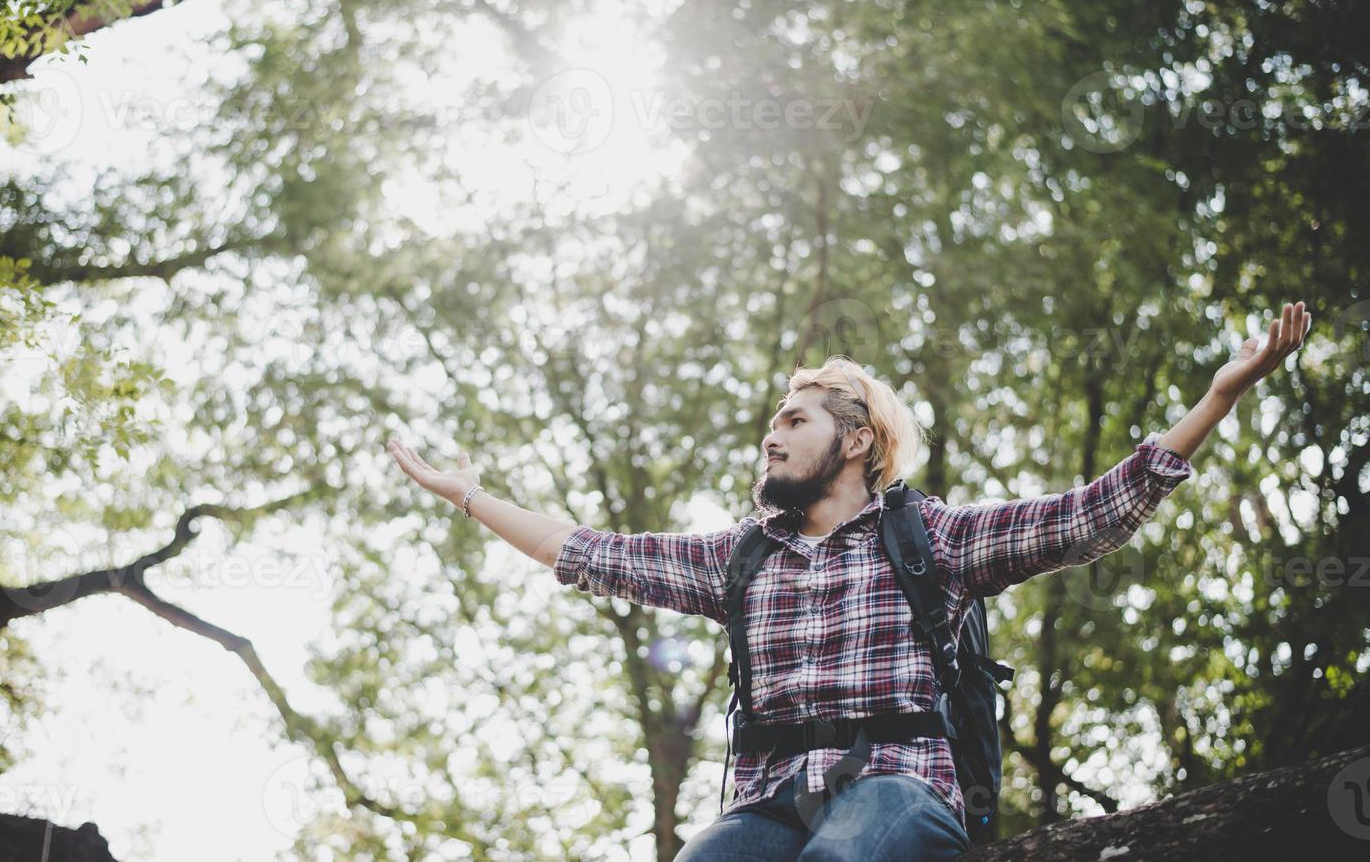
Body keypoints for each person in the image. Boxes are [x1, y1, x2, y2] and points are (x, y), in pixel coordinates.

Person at [387, 301, 1312, 861]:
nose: (772, 434)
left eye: (795, 419)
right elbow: (583, 550)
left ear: (856, 440)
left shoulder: (929, 538)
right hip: (767, 807)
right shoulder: (736, 559)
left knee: (844, 857)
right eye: (771, 423)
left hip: (896, 794)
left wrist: (1218, 397)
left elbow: (1088, 515)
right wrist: (470, 495)